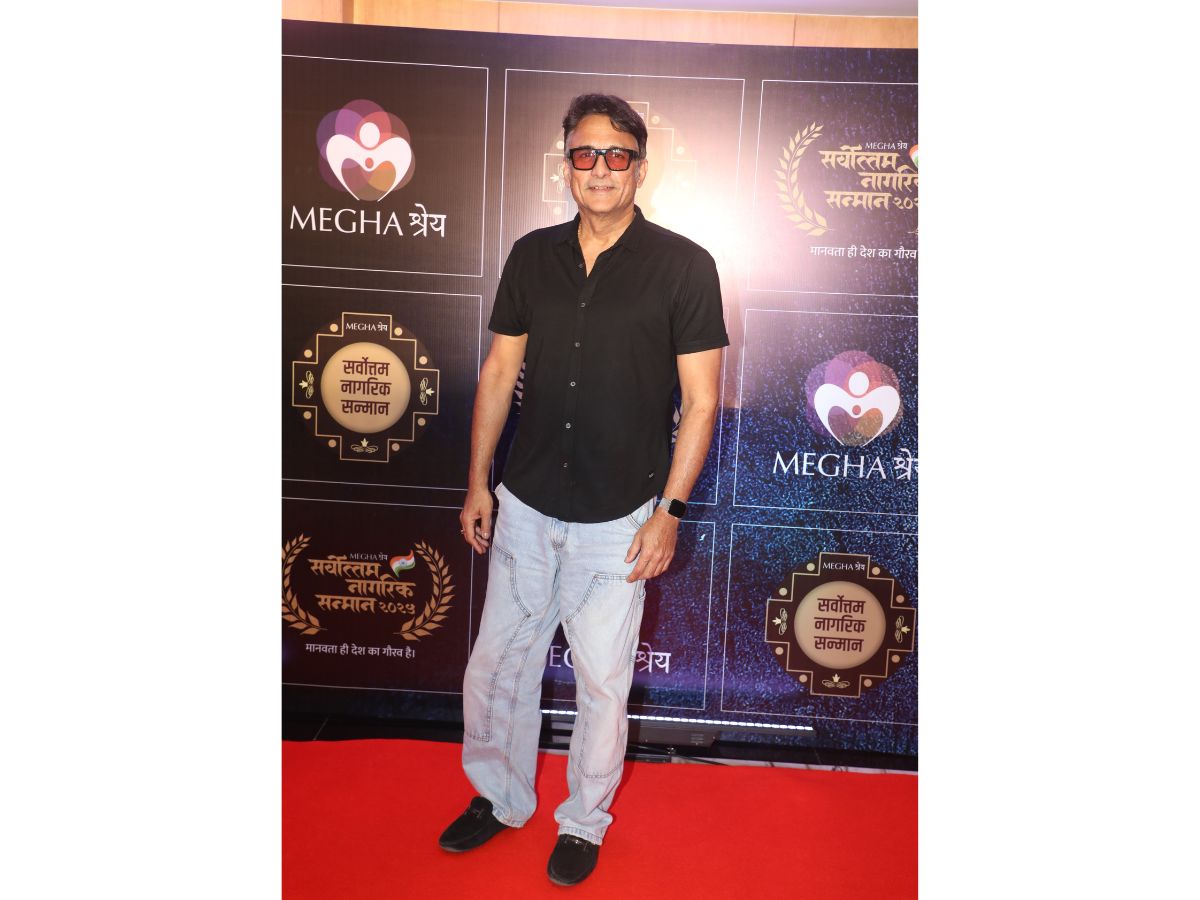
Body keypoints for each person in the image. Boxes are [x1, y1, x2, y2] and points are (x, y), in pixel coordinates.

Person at [438, 93, 728, 887]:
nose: (600, 168)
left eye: (616, 154)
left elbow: (702, 402)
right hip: (526, 504)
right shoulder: (532, 255)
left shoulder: (685, 265)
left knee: (602, 683)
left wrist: (669, 512)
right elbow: (499, 372)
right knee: (497, 667)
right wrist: (479, 482)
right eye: (584, 154)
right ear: (565, 163)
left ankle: (583, 822)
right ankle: (499, 798)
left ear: (640, 166)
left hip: (620, 517)